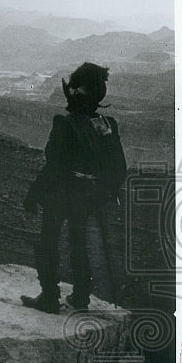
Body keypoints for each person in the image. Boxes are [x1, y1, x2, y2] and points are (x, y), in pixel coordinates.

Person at [21, 62, 127, 313]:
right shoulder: (107, 124)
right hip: (89, 196)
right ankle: (80, 298)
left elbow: (53, 165)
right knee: (79, 243)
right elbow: (118, 167)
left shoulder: (65, 124)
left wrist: (33, 194)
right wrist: (104, 192)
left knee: (49, 242)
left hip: (60, 193)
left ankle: (49, 297)